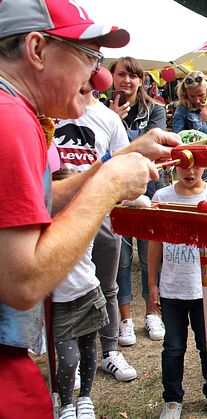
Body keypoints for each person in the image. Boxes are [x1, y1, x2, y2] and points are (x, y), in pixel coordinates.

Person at [0, 2, 178, 415]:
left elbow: (39, 202)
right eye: (89, 56)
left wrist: (117, 161)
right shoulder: (10, 120)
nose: (98, 76)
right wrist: (111, 182)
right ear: (37, 49)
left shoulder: (16, 111)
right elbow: (22, 282)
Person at [53, 91, 137, 382]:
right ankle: (69, 356)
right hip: (56, 212)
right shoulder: (49, 112)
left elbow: (121, 165)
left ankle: (110, 351)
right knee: (61, 289)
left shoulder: (108, 118)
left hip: (102, 211)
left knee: (106, 285)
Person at [148, 163, 207, 418]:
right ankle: (172, 400)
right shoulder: (162, 197)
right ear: (173, 166)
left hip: (205, 291)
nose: (189, 172)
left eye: (195, 166)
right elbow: (155, 242)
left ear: (205, 166)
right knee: (173, 347)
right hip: (172, 290)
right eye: (183, 166)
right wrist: (152, 282)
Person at [109, 56, 168, 346]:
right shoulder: (103, 111)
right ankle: (125, 320)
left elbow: (153, 147)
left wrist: (117, 129)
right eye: (121, 74)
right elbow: (105, 148)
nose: (127, 81)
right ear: (112, 77)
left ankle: (151, 313)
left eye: (133, 76)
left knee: (149, 257)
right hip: (116, 192)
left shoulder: (155, 110)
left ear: (141, 80)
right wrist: (113, 119)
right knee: (120, 261)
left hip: (149, 189)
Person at [50, 215, 109, 419]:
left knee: (89, 348)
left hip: (88, 294)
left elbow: (116, 198)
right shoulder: (47, 220)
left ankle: (85, 398)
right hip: (59, 301)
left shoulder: (86, 217)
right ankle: (66, 405)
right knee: (68, 359)